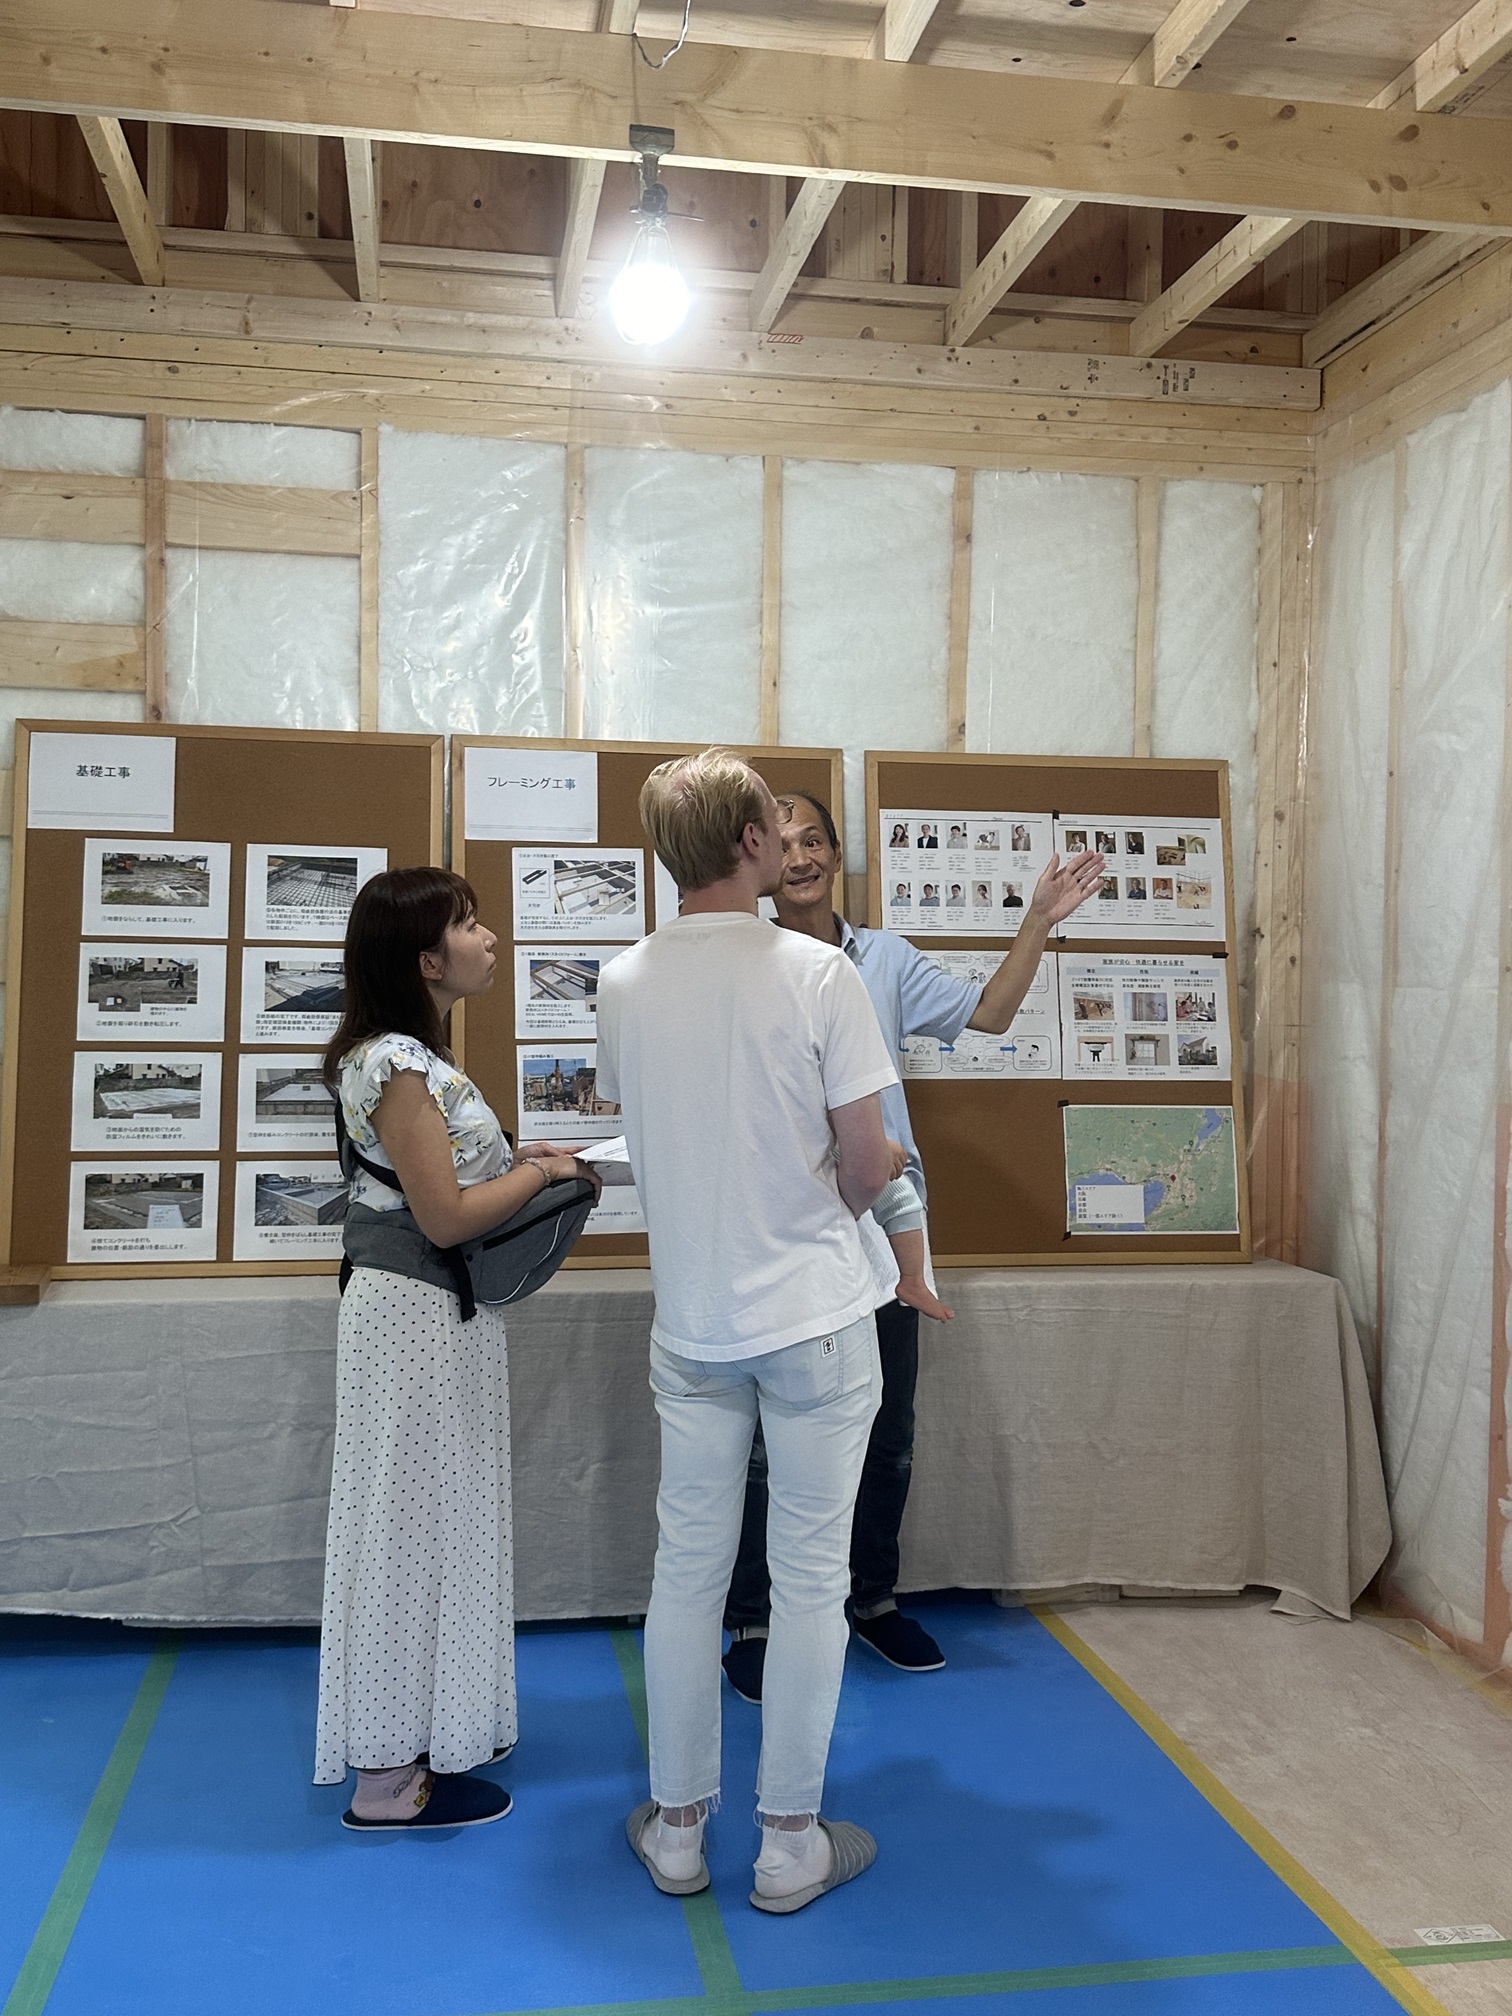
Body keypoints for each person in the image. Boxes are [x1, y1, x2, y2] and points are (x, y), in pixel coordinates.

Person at [595, 749, 897, 1914]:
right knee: (811, 1580)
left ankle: (677, 1831)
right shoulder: (819, 972)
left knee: (686, 1574)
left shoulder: (624, 979)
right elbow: (867, 1162)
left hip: (694, 1322)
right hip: (815, 1315)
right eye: (777, 824)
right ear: (756, 841)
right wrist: (839, 1189)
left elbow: (654, 1124)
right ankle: (787, 1846)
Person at [721, 794, 1103, 1697]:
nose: (801, 856)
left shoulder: (883, 960)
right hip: (785, 1232)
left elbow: (991, 1014)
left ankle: (871, 1600)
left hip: (888, 1229)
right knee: (769, 1439)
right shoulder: (740, 961)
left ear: (836, 854)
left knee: (889, 1429)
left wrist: (1038, 922)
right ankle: (756, 1616)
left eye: (815, 839)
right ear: (759, 859)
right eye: (784, 842)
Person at [314, 867, 597, 1831]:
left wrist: (525, 1166)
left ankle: (423, 1738)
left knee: (432, 1523)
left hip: (431, 1316)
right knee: (407, 1530)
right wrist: (544, 1176)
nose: (489, 938)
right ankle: (387, 1782)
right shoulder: (398, 1063)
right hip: (413, 1317)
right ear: (427, 960)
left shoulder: (407, 1057)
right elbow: (443, 1216)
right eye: (469, 924)